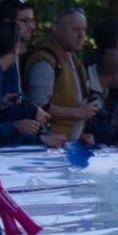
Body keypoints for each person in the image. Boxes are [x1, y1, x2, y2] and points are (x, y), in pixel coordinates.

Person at [24, 9, 94, 141]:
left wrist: (80, 136)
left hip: (65, 145)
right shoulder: (45, 61)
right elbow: (38, 106)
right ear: (57, 30)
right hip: (48, 148)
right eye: (75, 29)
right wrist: (77, 113)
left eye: (84, 30)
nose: (81, 35)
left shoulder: (72, 60)